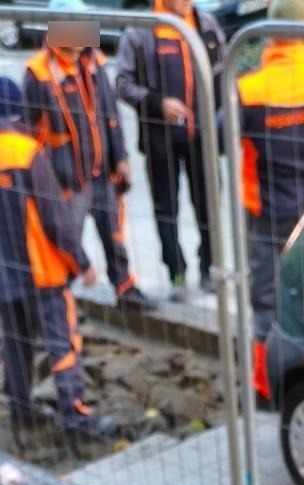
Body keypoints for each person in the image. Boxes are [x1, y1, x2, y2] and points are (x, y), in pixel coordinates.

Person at [0, 76, 101, 444]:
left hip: (1, 273)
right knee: (61, 341)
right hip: (43, 273)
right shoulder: (27, 153)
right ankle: (75, 416)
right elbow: (55, 220)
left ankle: (20, 408)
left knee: (16, 340)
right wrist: (81, 263)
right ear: (17, 111)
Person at [234, 0, 304, 399]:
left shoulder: (249, 89)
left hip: (267, 213)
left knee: (266, 301)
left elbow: (222, 138)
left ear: (268, 34)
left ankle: (264, 389)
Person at [23, 0, 155, 310]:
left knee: (114, 235)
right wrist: (45, 179)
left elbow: (109, 112)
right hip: (67, 180)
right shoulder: (38, 73)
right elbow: (29, 136)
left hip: (102, 172)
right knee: (66, 242)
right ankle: (57, 304)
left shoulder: (93, 60)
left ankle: (125, 290)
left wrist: (120, 157)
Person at [115, 0, 225, 301]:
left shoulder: (206, 24)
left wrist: (218, 120)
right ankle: (176, 273)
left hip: (201, 137)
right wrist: (156, 103)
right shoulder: (139, 32)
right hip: (159, 140)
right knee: (167, 210)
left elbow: (222, 71)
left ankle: (210, 268)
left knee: (209, 205)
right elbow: (122, 83)